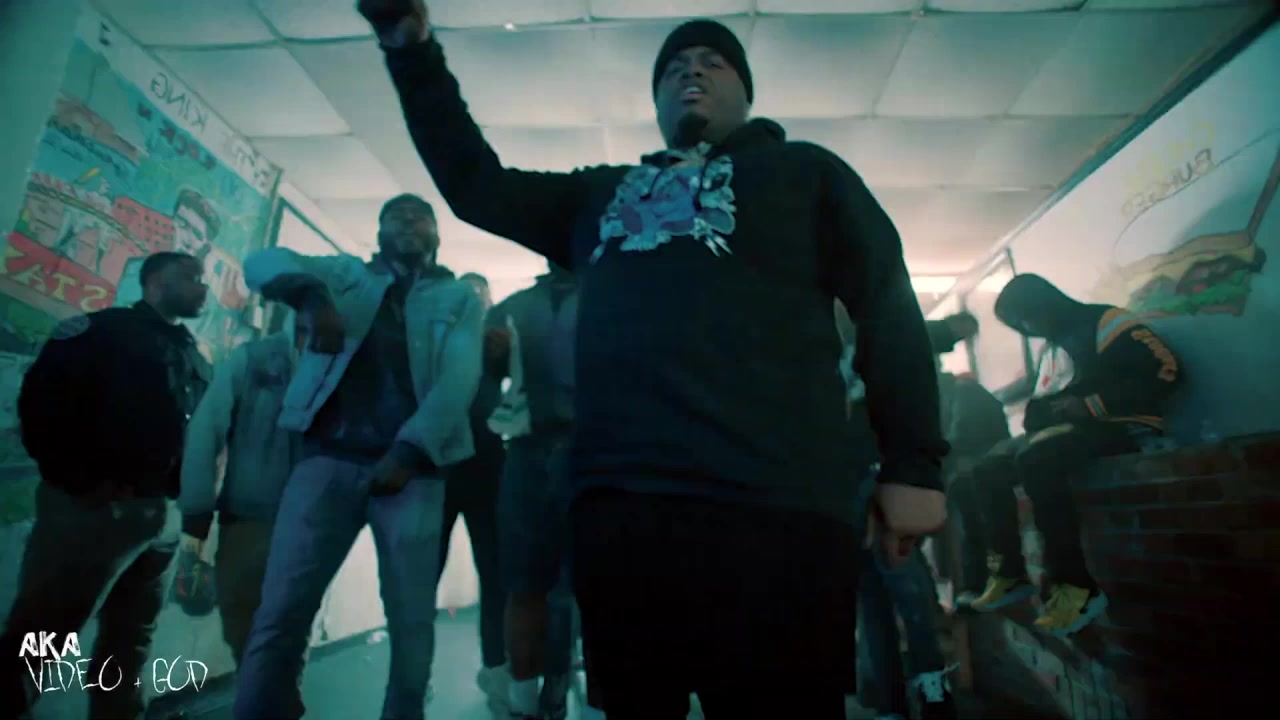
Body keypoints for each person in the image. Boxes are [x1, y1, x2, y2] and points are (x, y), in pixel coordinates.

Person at [359, 4, 948, 717]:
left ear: (746, 91)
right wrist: (410, 50)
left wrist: (913, 464)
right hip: (623, 512)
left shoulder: (806, 173)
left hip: (778, 509)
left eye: (712, 62)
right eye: (672, 68)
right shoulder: (600, 195)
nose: (690, 71)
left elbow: (886, 302)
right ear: (658, 102)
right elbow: (474, 185)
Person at [231, 194, 484, 720]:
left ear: (437, 234)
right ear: (379, 231)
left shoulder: (459, 296)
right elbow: (260, 262)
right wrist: (309, 294)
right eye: (395, 216)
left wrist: (409, 451)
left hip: (413, 473)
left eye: (419, 216)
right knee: (281, 609)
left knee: (411, 619)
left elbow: (459, 379)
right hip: (325, 459)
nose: (407, 222)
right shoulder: (344, 275)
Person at [0, 252, 210, 719]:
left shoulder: (191, 352)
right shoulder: (101, 333)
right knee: (40, 636)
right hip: (95, 512)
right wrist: (81, 484)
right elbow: (40, 406)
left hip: (160, 518)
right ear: (155, 282)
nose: (203, 288)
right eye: (191, 278)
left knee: (129, 644)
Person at [960, 274, 1180, 635]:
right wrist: (1043, 414)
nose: (1028, 329)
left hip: (1123, 424)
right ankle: (1009, 573)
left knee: (1037, 459)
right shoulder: (1050, 349)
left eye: (1026, 318)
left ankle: (1075, 585)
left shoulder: (1106, 321)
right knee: (983, 471)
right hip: (1069, 433)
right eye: (1019, 325)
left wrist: (1091, 405)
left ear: (1045, 303)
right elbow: (1045, 405)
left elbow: (1166, 372)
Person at [178, 308, 308, 712]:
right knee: (243, 623)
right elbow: (207, 429)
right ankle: (274, 704)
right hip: (250, 516)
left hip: (310, 523)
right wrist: (197, 508)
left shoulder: (346, 364)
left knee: (286, 628)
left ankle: (274, 705)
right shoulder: (255, 358)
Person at [486, 263, 580, 720]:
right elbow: (482, 373)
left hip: (591, 449)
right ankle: (524, 698)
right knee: (522, 580)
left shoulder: (612, 293)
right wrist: (492, 356)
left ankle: (560, 685)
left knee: (581, 584)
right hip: (527, 449)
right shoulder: (515, 305)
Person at [435, 272, 511, 714]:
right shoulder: (437, 341)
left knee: (496, 577)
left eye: (480, 295)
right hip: (440, 468)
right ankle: (415, 672)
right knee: (422, 573)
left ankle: (497, 671)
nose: (473, 302)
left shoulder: (497, 344)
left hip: (486, 470)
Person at [925, 314, 1012, 607]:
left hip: (966, 468)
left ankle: (968, 587)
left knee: (962, 513)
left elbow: (960, 436)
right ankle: (966, 587)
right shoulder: (954, 390)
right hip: (964, 467)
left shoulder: (959, 391)